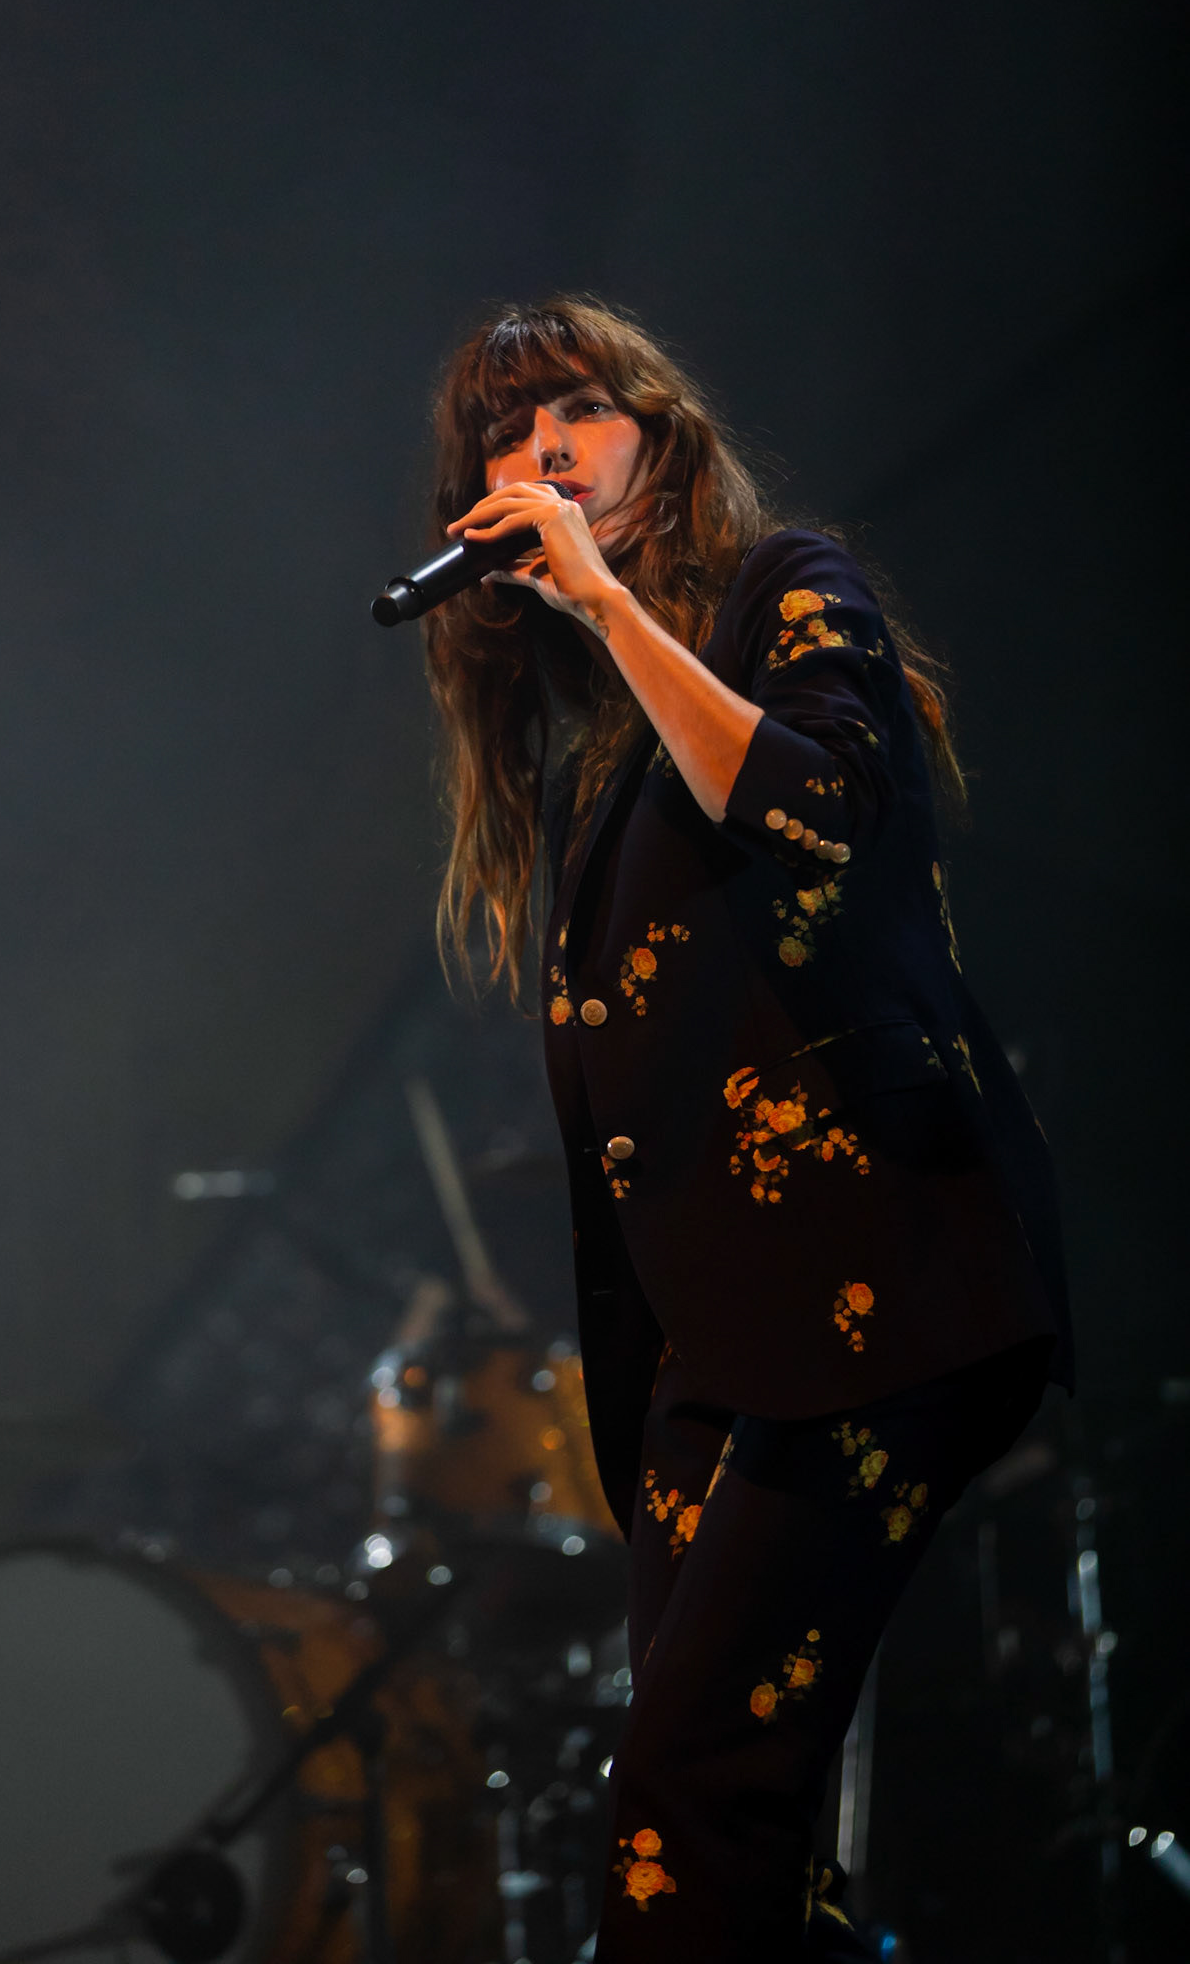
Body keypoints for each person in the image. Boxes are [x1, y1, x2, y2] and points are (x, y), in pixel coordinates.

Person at [419, 296, 1072, 1960]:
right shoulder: (585, 769)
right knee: (729, 1826)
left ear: (658, 433)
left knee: (689, 1796)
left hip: (870, 1285)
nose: (538, 453)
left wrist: (611, 605)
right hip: (720, 1353)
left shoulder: (792, 589)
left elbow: (821, 815)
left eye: (572, 410)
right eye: (503, 436)